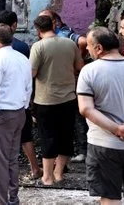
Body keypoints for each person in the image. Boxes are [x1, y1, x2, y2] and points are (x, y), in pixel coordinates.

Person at [77, 27, 124, 205]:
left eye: (88, 45)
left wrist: (118, 129)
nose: (87, 49)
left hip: (103, 145)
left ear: (99, 48)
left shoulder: (89, 71)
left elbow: (86, 109)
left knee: (110, 198)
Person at [0, 10, 40, 180]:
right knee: (23, 138)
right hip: (19, 104)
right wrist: (27, 104)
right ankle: (34, 168)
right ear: (14, 27)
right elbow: (28, 79)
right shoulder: (22, 49)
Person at [30, 14, 84, 185]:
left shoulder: (38, 47)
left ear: (38, 30)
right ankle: (59, 174)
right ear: (53, 26)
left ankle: (47, 177)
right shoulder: (70, 44)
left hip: (45, 99)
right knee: (65, 136)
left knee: (48, 137)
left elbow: (32, 73)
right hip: (68, 98)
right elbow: (79, 67)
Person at [0, 25, 33, 205]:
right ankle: (13, 198)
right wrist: (24, 106)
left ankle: (0, 200)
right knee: (12, 158)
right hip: (19, 111)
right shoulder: (22, 58)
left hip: (2, 113)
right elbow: (29, 87)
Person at [39, 9, 91, 163]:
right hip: (60, 85)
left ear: (55, 22)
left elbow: (83, 41)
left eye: (45, 20)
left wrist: (76, 64)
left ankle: (81, 152)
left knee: (75, 117)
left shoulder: (63, 34)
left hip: (65, 85)